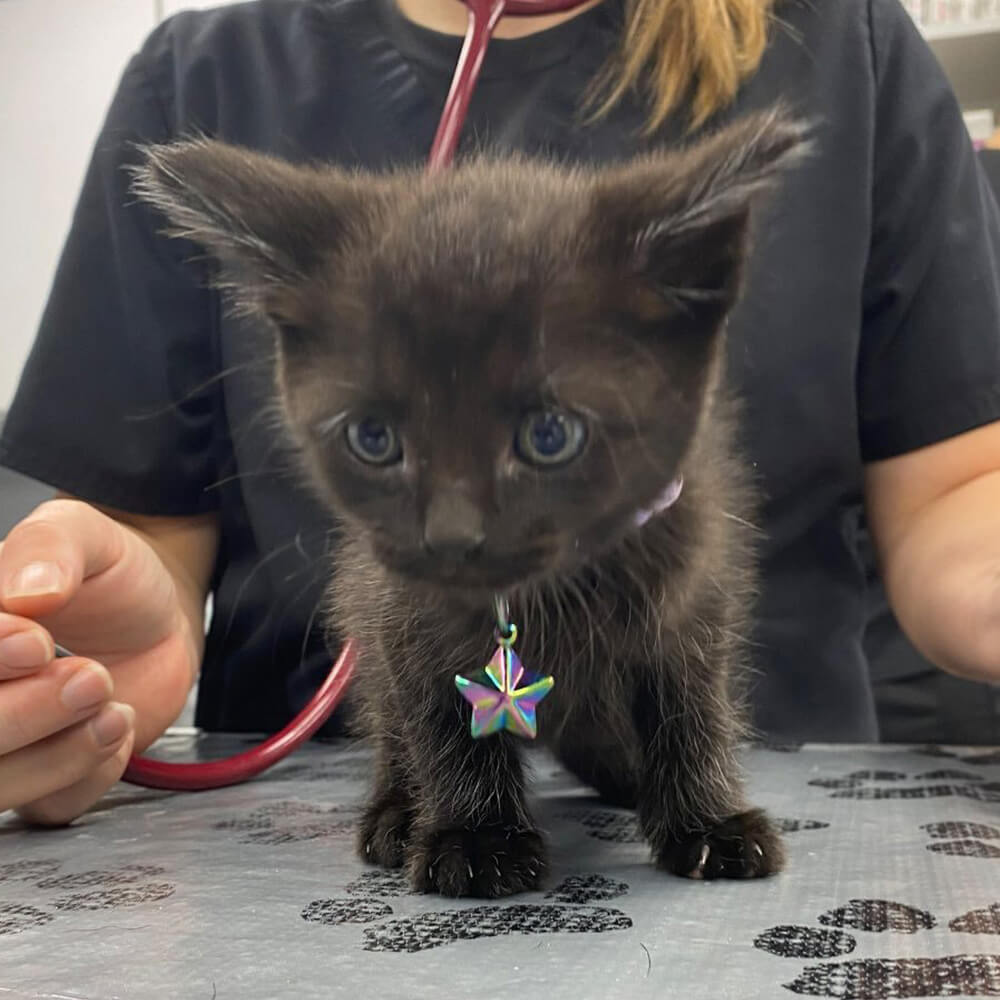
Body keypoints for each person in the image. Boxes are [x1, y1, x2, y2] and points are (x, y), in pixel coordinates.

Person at [1, 0, 999, 825]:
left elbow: (960, 487)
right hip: (291, 848)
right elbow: (145, 533)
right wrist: (87, 659)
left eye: (547, 433)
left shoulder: (842, 44)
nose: (455, 531)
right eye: (376, 439)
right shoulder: (207, 73)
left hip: (791, 792)